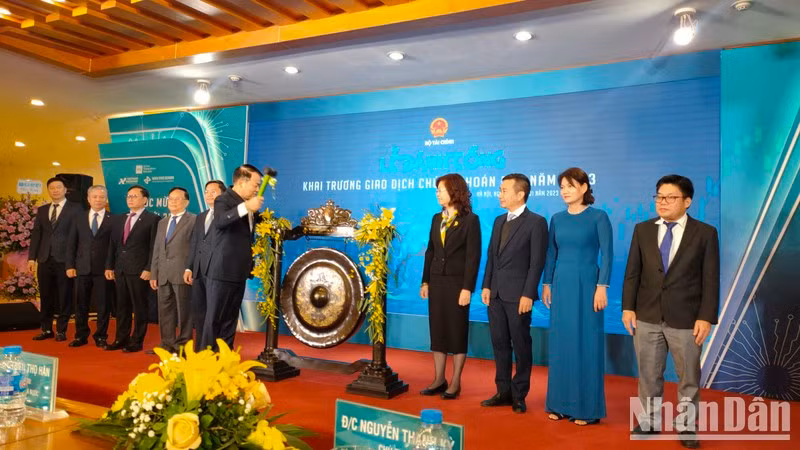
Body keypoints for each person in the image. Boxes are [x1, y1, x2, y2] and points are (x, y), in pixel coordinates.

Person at [622, 175, 719, 449]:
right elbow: (632, 273)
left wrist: (706, 317)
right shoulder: (642, 230)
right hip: (647, 315)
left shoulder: (705, 233)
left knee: (688, 377)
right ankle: (649, 421)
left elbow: (711, 278)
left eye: (670, 197)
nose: (662, 202)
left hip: (687, 318)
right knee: (648, 374)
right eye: (659, 197)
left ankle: (687, 427)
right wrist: (628, 307)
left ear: (687, 201)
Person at [542, 168, 613, 425]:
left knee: (586, 343)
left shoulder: (598, 217)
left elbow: (607, 253)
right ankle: (559, 404)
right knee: (562, 343)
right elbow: (551, 253)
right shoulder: (557, 219)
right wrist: (547, 283)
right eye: (562, 187)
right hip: (561, 284)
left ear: (584, 187)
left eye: (570, 186)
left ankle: (587, 409)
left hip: (588, 285)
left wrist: (602, 286)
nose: (565, 191)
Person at [480, 173, 548, 414]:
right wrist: (486, 285)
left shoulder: (536, 222)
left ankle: (519, 394)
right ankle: (503, 391)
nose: (500, 194)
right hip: (496, 294)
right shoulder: (499, 221)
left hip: (519, 296)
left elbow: (536, 263)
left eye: (504, 190)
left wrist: (528, 294)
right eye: (500, 190)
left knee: (521, 345)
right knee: (499, 344)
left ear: (520, 194)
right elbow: (492, 256)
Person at [420, 173, 481, 399]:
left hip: (457, 285)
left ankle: (455, 382)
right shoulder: (437, 218)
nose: (437, 194)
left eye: (441, 190)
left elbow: (473, 257)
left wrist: (467, 288)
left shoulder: (470, 220)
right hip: (437, 282)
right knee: (438, 331)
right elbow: (431, 251)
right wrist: (425, 280)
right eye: (437, 190)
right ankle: (439, 379)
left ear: (454, 191)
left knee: (456, 331)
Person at [203, 165, 263, 350]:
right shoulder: (224, 199)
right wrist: (246, 207)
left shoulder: (249, 203)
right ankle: (205, 360)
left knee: (230, 320)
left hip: (239, 271)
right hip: (222, 271)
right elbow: (221, 221)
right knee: (214, 319)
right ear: (242, 182)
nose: (257, 189)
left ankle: (225, 358)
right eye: (255, 184)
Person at [105, 185, 159, 353]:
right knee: (122, 307)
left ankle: (136, 341)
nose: (130, 199)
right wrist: (109, 266)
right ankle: (121, 339)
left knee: (140, 307)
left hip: (139, 270)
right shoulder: (119, 218)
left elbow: (154, 247)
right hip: (120, 269)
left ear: (145, 200)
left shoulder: (153, 219)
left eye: (134, 196)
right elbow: (112, 245)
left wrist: (149, 268)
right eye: (129, 196)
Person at [28, 176, 82, 342]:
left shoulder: (76, 208)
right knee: (45, 295)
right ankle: (46, 329)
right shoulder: (43, 210)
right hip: (44, 258)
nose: (55, 190)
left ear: (65, 190)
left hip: (65, 260)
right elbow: (37, 234)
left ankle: (61, 330)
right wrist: (32, 258)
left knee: (65, 295)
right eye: (52, 188)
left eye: (58, 187)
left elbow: (79, 235)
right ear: (48, 191)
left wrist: (75, 260)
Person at [65, 185, 114, 348]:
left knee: (103, 305)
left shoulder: (113, 219)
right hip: (81, 268)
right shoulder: (78, 218)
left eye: (102, 197)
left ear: (106, 199)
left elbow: (114, 247)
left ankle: (101, 336)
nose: (98, 199)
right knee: (81, 304)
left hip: (104, 270)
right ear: (88, 199)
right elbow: (71, 244)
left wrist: (111, 266)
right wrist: (70, 265)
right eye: (95, 196)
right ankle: (81, 335)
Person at [149, 187, 196, 354]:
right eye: (170, 199)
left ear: (186, 202)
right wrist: (154, 273)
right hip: (163, 274)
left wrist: (191, 269)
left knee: (184, 312)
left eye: (177, 199)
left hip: (182, 273)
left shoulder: (193, 220)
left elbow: (195, 248)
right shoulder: (162, 222)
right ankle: (166, 344)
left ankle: (183, 346)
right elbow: (157, 249)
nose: (173, 202)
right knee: (164, 311)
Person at [184, 180, 226, 351]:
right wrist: (189, 267)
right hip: (199, 271)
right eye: (206, 191)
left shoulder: (227, 216)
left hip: (217, 271)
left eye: (213, 191)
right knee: (200, 312)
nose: (209, 195)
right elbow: (195, 243)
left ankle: (213, 349)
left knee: (214, 314)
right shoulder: (201, 216)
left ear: (223, 194)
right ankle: (200, 349)